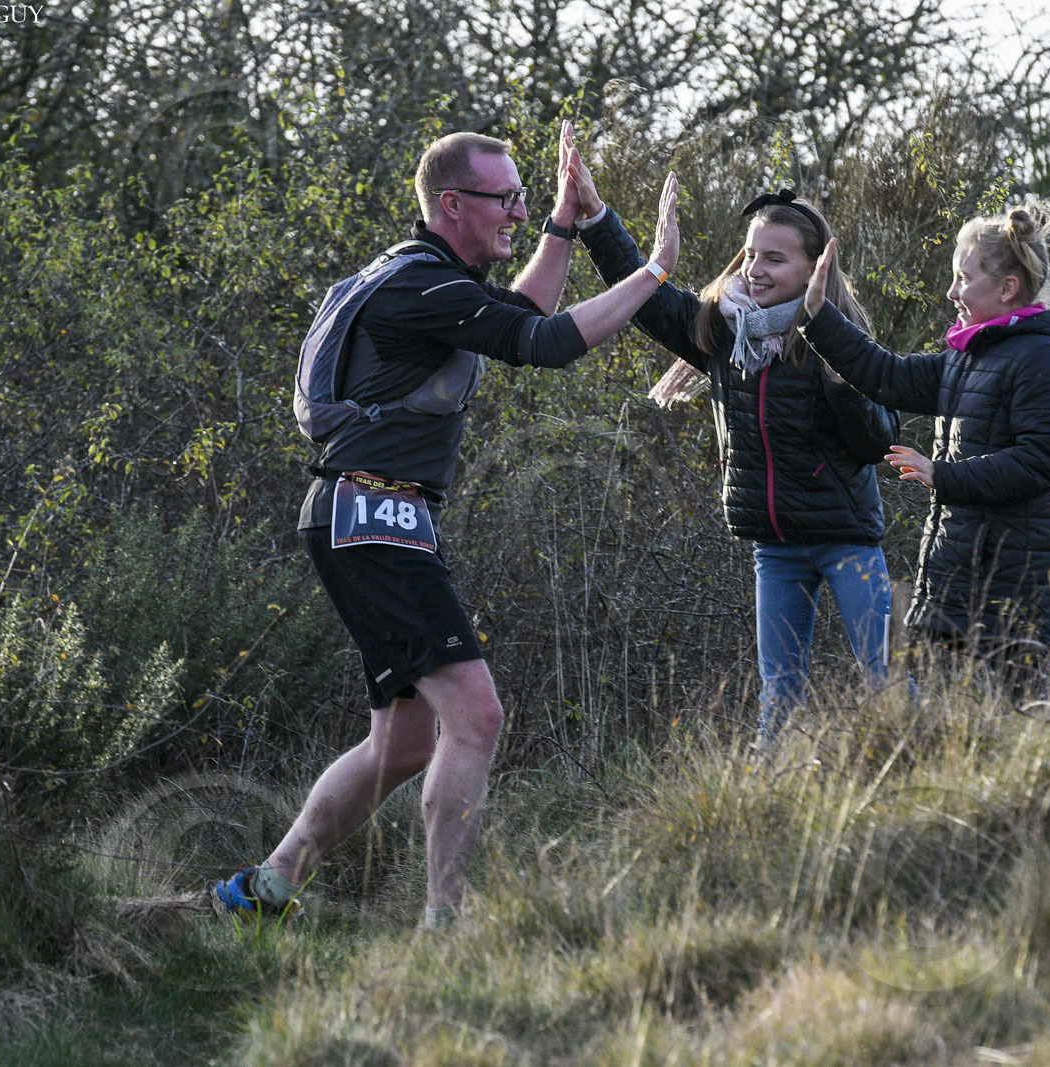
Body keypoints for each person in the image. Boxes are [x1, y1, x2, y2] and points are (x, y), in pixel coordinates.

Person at [215, 124, 681, 928]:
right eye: (506, 199)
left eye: (523, 198)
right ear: (454, 204)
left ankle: (262, 891)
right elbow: (545, 342)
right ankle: (445, 926)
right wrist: (656, 271)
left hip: (370, 514)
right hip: (374, 513)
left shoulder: (429, 279)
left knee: (400, 746)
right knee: (477, 716)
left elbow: (520, 316)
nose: (517, 212)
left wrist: (562, 224)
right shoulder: (421, 287)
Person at [568, 161, 900, 744]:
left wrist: (841, 381)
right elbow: (643, 298)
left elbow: (878, 441)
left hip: (846, 539)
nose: (755, 268)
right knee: (780, 690)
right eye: (750, 254)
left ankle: (925, 764)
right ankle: (769, 786)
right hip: (775, 546)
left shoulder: (841, 338)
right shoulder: (725, 332)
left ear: (814, 268)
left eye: (775, 258)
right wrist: (595, 218)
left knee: (885, 675)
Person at [799, 199, 1050, 695]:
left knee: (1019, 705)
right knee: (954, 713)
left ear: (1007, 288)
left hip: (1013, 571)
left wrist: (943, 475)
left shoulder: (1045, 356)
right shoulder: (969, 354)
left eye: (963, 279)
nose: (951, 292)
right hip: (961, 565)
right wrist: (819, 316)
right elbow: (888, 375)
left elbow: (1041, 461)